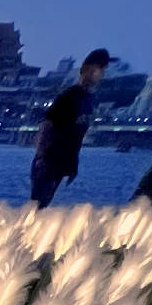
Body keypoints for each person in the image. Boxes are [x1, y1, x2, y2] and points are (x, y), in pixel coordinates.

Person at [32, 48, 109, 208]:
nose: (102, 74)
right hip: (50, 162)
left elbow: (76, 138)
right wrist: (43, 158)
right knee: (37, 207)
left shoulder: (86, 98)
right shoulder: (71, 95)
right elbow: (48, 125)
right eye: (100, 69)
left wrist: (72, 165)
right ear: (89, 70)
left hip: (60, 163)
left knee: (41, 206)